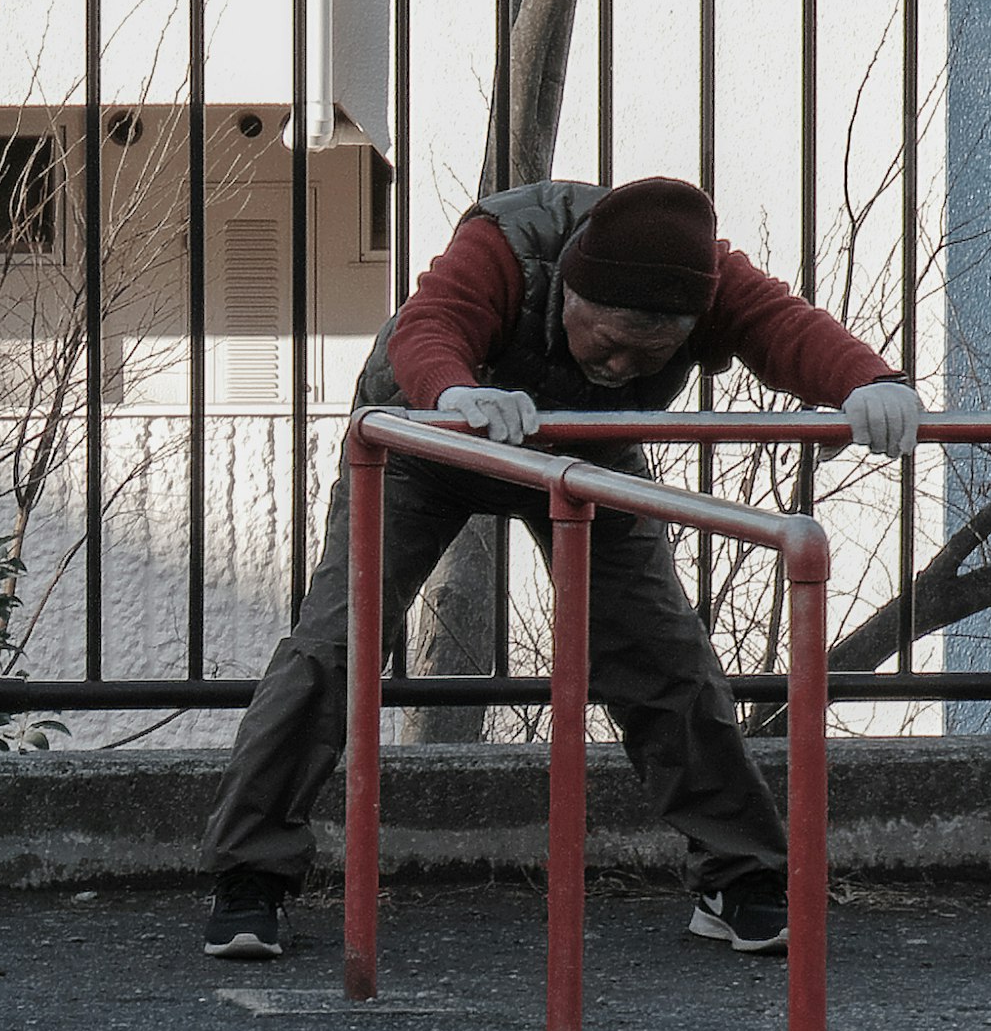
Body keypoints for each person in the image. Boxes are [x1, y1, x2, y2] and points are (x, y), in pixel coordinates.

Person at [200, 176, 920, 962]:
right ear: (569, 291)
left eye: (644, 355)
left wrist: (872, 383)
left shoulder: (704, 273)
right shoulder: (507, 245)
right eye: (601, 340)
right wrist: (458, 395)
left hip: (585, 447)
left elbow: (787, 327)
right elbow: (430, 326)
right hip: (426, 439)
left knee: (657, 651)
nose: (616, 364)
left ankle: (740, 879)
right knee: (336, 640)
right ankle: (249, 879)